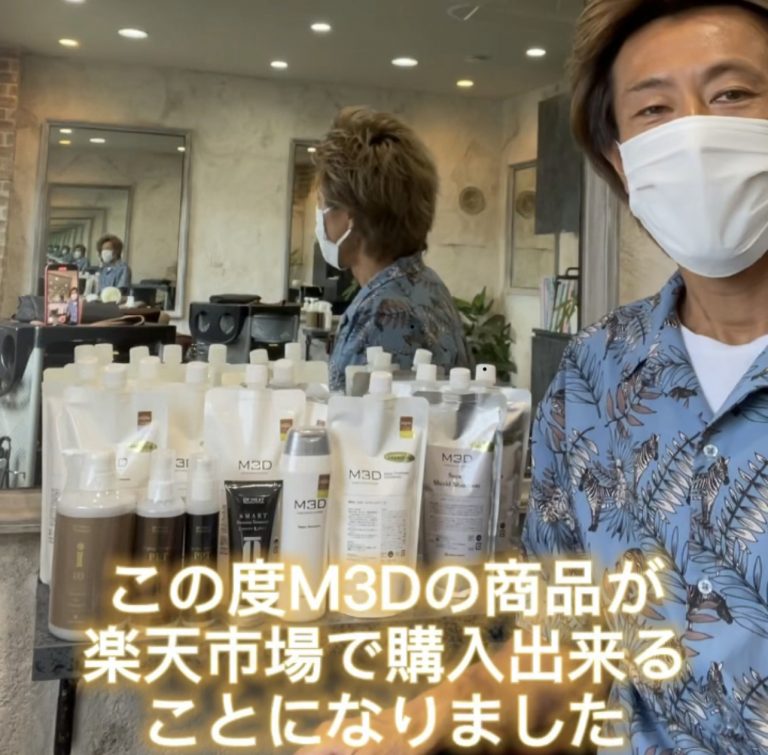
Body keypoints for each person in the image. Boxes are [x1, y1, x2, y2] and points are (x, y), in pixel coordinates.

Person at [298, 1, 768, 753]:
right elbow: (564, 648)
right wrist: (399, 731)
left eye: (731, 94)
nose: (693, 132)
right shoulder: (594, 378)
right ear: (621, 160)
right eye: (653, 109)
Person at [314, 107, 471, 391]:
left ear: (349, 217)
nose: (320, 219)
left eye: (322, 205)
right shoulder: (427, 286)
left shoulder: (379, 317)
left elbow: (353, 417)